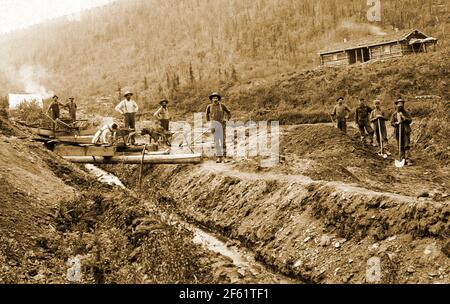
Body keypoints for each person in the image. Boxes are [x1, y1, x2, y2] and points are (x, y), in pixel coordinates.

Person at [206, 92, 231, 163]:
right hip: (214, 126)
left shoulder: (222, 106)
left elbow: (228, 112)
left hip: (222, 126)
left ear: (218, 99)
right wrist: (209, 123)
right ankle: (218, 157)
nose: (215, 99)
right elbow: (207, 115)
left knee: (223, 141)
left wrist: (227, 118)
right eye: (213, 98)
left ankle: (225, 157)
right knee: (216, 142)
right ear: (211, 99)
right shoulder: (209, 107)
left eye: (216, 98)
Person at [390, 98, 413, 165]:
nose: (400, 105)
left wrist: (403, 117)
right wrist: (396, 124)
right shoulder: (394, 114)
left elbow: (410, 120)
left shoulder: (406, 113)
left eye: (402, 104)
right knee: (400, 145)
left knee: (406, 145)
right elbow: (391, 123)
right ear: (396, 105)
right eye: (399, 104)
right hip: (398, 131)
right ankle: (402, 158)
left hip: (405, 131)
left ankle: (408, 159)